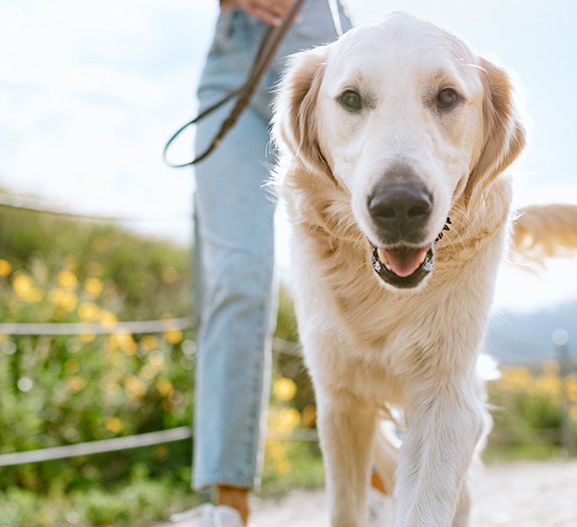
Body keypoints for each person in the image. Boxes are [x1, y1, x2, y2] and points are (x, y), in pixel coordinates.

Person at [184, 1, 351, 526]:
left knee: (355, 269)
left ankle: (378, 473)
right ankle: (227, 505)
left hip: (323, 47)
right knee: (238, 274)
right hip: (232, 60)